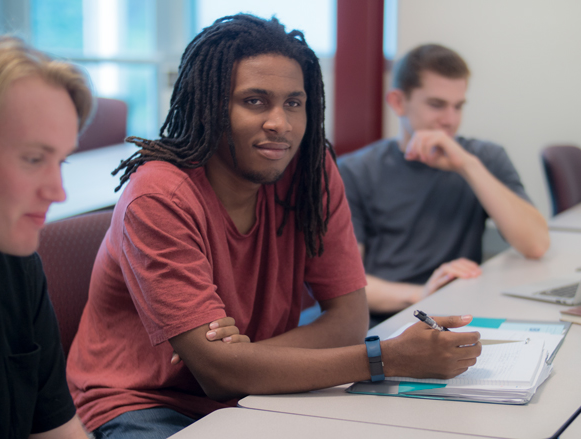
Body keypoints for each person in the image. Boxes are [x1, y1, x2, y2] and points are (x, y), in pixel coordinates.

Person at [66, 16, 482, 439]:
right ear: (209, 104)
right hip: (145, 401)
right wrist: (386, 358)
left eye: (294, 103)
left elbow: (348, 321)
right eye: (255, 101)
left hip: (260, 390)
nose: (280, 123)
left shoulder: (309, 172)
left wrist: (241, 361)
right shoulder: (159, 197)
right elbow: (221, 375)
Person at [338, 44, 550, 326]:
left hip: (460, 314)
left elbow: (535, 245)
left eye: (458, 106)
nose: (450, 120)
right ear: (398, 102)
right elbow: (344, 286)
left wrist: (467, 166)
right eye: (436, 105)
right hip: (387, 318)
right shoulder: (355, 170)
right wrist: (424, 294)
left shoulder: (483, 158)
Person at [0, 36, 93, 438]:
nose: (58, 192)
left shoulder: (18, 263)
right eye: (35, 159)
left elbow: (56, 429)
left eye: (61, 161)